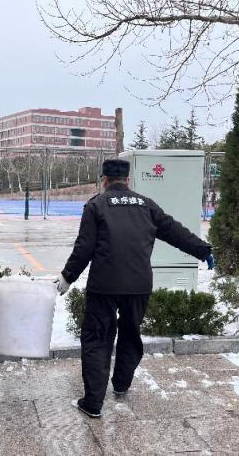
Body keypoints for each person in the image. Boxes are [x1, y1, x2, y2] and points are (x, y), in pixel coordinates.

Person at [56, 159, 214, 418]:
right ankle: (121, 384)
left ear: (104, 180)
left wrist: (67, 277)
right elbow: (174, 231)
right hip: (139, 285)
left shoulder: (96, 205)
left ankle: (93, 403)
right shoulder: (146, 205)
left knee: (97, 339)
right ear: (128, 180)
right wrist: (203, 250)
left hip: (104, 286)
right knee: (130, 333)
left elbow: (84, 247)